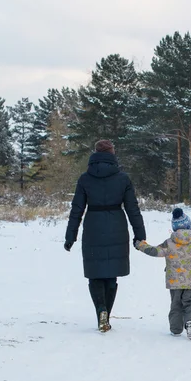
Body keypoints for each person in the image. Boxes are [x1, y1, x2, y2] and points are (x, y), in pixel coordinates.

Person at [64, 139, 146, 332]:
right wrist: (139, 235)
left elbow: (77, 209)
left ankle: (101, 310)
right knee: (111, 275)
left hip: (93, 226)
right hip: (117, 225)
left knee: (95, 274)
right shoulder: (122, 178)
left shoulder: (85, 179)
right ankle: (106, 314)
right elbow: (133, 208)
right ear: (112, 154)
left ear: (95, 154)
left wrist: (70, 235)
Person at [135, 208, 191, 340]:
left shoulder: (168, 243)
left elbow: (154, 251)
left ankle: (175, 330)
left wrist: (141, 245)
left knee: (176, 305)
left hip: (175, 282)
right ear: (189, 226)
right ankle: (190, 322)